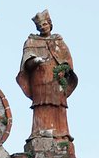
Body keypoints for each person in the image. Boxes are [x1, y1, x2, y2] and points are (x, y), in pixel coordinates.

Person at [16, 9, 78, 140]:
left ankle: (62, 134)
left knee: (59, 104)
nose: (42, 27)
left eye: (44, 24)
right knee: (41, 104)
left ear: (50, 24)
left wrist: (64, 69)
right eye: (40, 26)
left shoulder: (58, 41)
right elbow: (26, 63)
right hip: (39, 79)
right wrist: (36, 61)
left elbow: (67, 60)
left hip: (56, 79)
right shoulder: (31, 41)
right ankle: (39, 131)